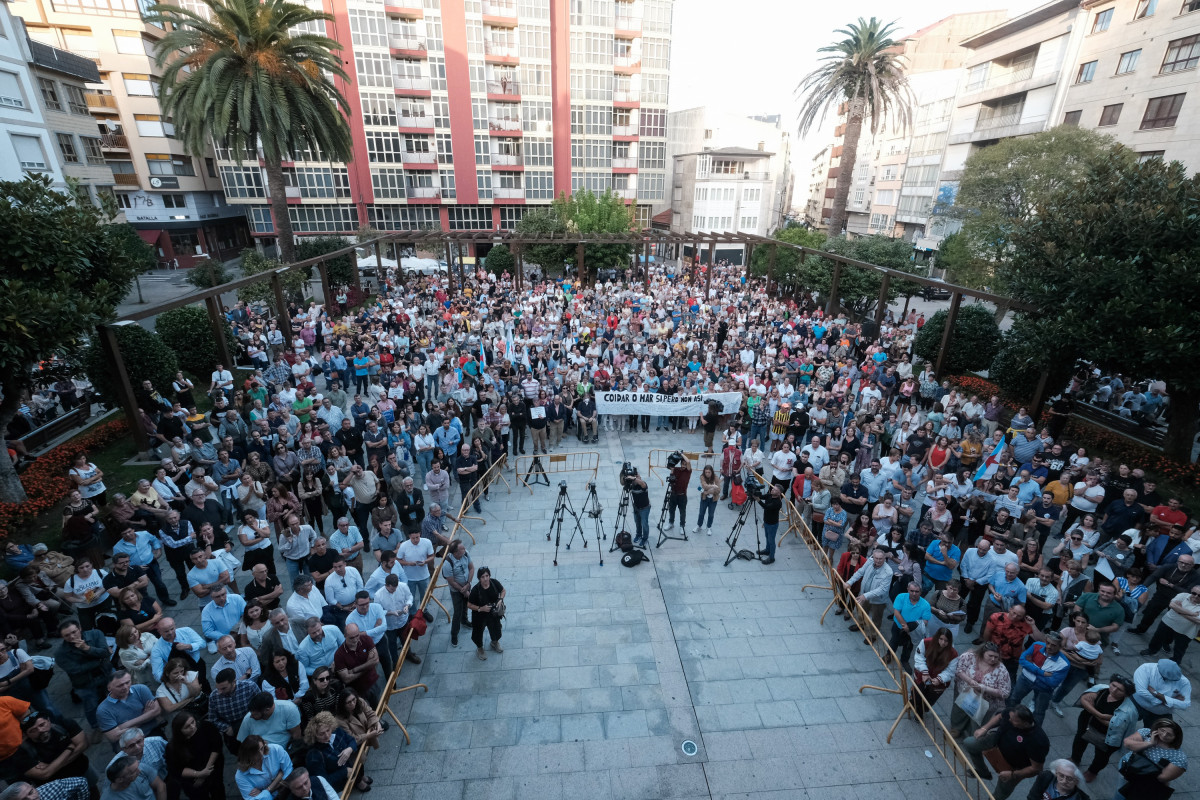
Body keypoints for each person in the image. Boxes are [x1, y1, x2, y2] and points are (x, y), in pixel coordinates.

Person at [961, 705, 1049, 800]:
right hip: (996, 741)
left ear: (1025, 723)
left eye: (1014, 721)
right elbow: (999, 716)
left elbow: (1036, 768)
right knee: (969, 744)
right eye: (1010, 717)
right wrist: (984, 728)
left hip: (1014, 767)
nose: (1009, 720)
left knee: (1001, 792)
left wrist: (1013, 774)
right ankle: (982, 771)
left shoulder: (1038, 741)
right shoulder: (1013, 713)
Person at [1070, 676, 1139, 783]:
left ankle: (1092, 772)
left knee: (1102, 756)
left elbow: (1112, 724)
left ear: (1126, 694)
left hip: (1108, 735)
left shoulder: (1129, 710)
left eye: (1119, 689)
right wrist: (1100, 715)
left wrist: (1092, 710)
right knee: (1079, 741)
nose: (1114, 690)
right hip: (1087, 723)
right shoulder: (1101, 689)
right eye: (1113, 685)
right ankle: (1075, 759)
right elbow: (1084, 699)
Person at [55, 619, 113, 737]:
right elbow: (75, 670)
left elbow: (105, 652)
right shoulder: (60, 653)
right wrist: (99, 660)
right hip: (85, 682)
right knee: (91, 706)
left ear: (80, 628)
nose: (72, 636)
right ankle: (97, 727)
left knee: (116, 692)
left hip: (106, 673)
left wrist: (87, 648)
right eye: (67, 635)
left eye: (74, 632)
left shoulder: (96, 634)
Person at [1114, 718, 1187, 800]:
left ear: (1176, 737)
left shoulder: (1179, 757)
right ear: (1157, 728)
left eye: (1169, 734)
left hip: (1147, 782)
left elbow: (1163, 777)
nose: (1164, 735)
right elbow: (1127, 744)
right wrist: (1150, 743)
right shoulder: (1146, 732)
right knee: (1120, 792)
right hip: (1128, 768)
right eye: (1162, 730)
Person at [1007, 631, 1069, 725]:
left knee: (1039, 712)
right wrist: (1042, 673)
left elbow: (1053, 682)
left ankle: (1034, 732)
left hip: (1044, 688)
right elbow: (1022, 660)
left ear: (1060, 647)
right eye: (1048, 643)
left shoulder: (1064, 663)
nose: (1049, 646)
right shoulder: (1036, 645)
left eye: (1053, 645)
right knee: (1014, 699)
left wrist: (1031, 668)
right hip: (1026, 680)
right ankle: (1008, 719)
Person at [164, 710, 224, 800]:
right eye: (187, 726)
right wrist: (199, 774)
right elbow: (177, 769)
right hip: (192, 780)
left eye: (193, 722)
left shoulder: (206, 727)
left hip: (212, 769)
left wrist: (205, 773)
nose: (193, 727)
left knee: (218, 793)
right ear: (179, 731)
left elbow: (216, 747)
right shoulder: (173, 747)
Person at [303, 712, 368, 793]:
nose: (327, 735)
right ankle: (357, 781)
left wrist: (349, 749)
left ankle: (359, 778)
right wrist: (344, 772)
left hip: (352, 766)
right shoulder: (314, 755)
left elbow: (352, 740)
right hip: (339, 785)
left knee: (357, 757)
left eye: (328, 730)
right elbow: (322, 781)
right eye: (321, 734)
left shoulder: (337, 731)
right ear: (314, 736)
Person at [1141, 585, 1200, 663]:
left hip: (1186, 631)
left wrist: (1179, 611)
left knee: (1180, 647)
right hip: (1168, 622)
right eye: (1194, 593)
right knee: (1157, 637)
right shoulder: (1182, 595)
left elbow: (1198, 621)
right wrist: (1192, 614)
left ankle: (1175, 661)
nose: (1196, 596)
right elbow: (1171, 605)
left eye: (1199, 595)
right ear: (1191, 591)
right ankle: (1152, 650)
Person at [910, 627, 957, 718]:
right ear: (937, 637)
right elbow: (919, 657)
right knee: (917, 693)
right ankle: (913, 704)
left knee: (929, 699)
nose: (943, 643)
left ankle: (921, 711)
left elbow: (950, 670)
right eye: (941, 639)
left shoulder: (953, 653)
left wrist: (940, 679)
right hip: (922, 676)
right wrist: (925, 672)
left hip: (938, 682)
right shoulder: (925, 642)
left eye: (946, 641)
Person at [1131, 658, 1191, 724]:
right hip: (1138, 704)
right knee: (1123, 724)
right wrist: (1168, 701)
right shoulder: (1145, 669)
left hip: (1160, 713)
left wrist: (1157, 694)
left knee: (1161, 732)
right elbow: (1141, 692)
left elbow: (1185, 704)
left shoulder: (1184, 682)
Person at [887, 581, 931, 668]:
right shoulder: (901, 597)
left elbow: (925, 621)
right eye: (911, 591)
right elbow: (896, 613)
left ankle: (904, 661)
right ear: (908, 589)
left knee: (908, 646)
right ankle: (889, 655)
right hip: (898, 626)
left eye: (917, 591)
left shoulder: (925, 605)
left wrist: (911, 627)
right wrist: (905, 626)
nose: (914, 593)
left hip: (913, 631)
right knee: (894, 642)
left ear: (921, 592)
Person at [234, 735, 290, 800]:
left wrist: (263, 792)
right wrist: (279, 777)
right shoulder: (240, 776)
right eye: (255, 752)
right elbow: (254, 799)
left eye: (261, 748)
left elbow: (289, 774)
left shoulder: (275, 750)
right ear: (247, 753)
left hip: (287, 791)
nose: (260, 754)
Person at [468, 566, 505, 661]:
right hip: (479, 615)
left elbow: (503, 590)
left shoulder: (494, 582)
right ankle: (480, 648)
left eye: (487, 576)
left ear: (489, 575)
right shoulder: (476, 590)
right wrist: (481, 608)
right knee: (478, 633)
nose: (485, 579)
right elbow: (469, 604)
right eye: (482, 577)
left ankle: (494, 642)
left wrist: (500, 599)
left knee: (496, 629)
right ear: (479, 578)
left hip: (493, 614)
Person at [100, 755, 164, 800]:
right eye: (133, 771)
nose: (139, 771)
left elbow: (161, 785)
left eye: (137, 767)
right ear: (120, 779)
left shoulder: (138, 767)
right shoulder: (108, 798)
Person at [1023, 760, 1088, 800]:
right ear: (1056, 773)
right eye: (1061, 776)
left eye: (1069, 778)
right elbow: (1032, 797)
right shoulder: (1045, 777)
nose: (1064, 781)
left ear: (1076, 781)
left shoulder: (1081, 797)